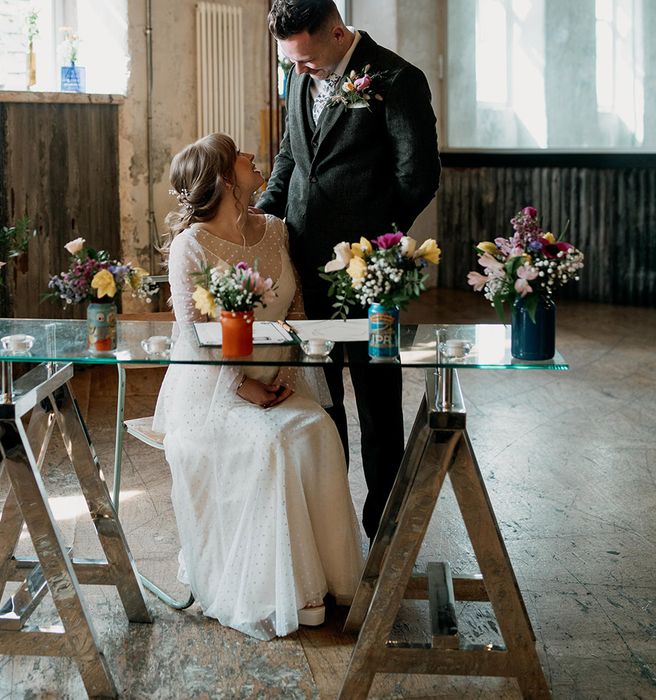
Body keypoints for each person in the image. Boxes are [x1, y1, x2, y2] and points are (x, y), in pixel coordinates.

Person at [152, 133, 363, 641]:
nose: (253, 157)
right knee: (270, 442)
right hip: (213, 390)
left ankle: (330, 580)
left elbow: (295, 311)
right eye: (241, 154)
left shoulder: (275, 229)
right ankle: (281, 590)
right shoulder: (191, 245)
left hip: (279, 378)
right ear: (226, 177)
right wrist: (242, 384)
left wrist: (286, 377)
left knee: (316, 426)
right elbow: (192, 335)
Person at [257, 0, 441, 540]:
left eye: (307, 61)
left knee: (377, 401)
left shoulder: (397, 79)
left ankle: (384, 525)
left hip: (365, 271)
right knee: (318, 394)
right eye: (290, 62)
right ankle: (330, 520)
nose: (298, 71)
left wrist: (376, 242)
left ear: (337, 34)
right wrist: (262, 223)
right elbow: (291, 155)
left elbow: (419, 175)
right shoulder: (298, 72)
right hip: (297, 262)